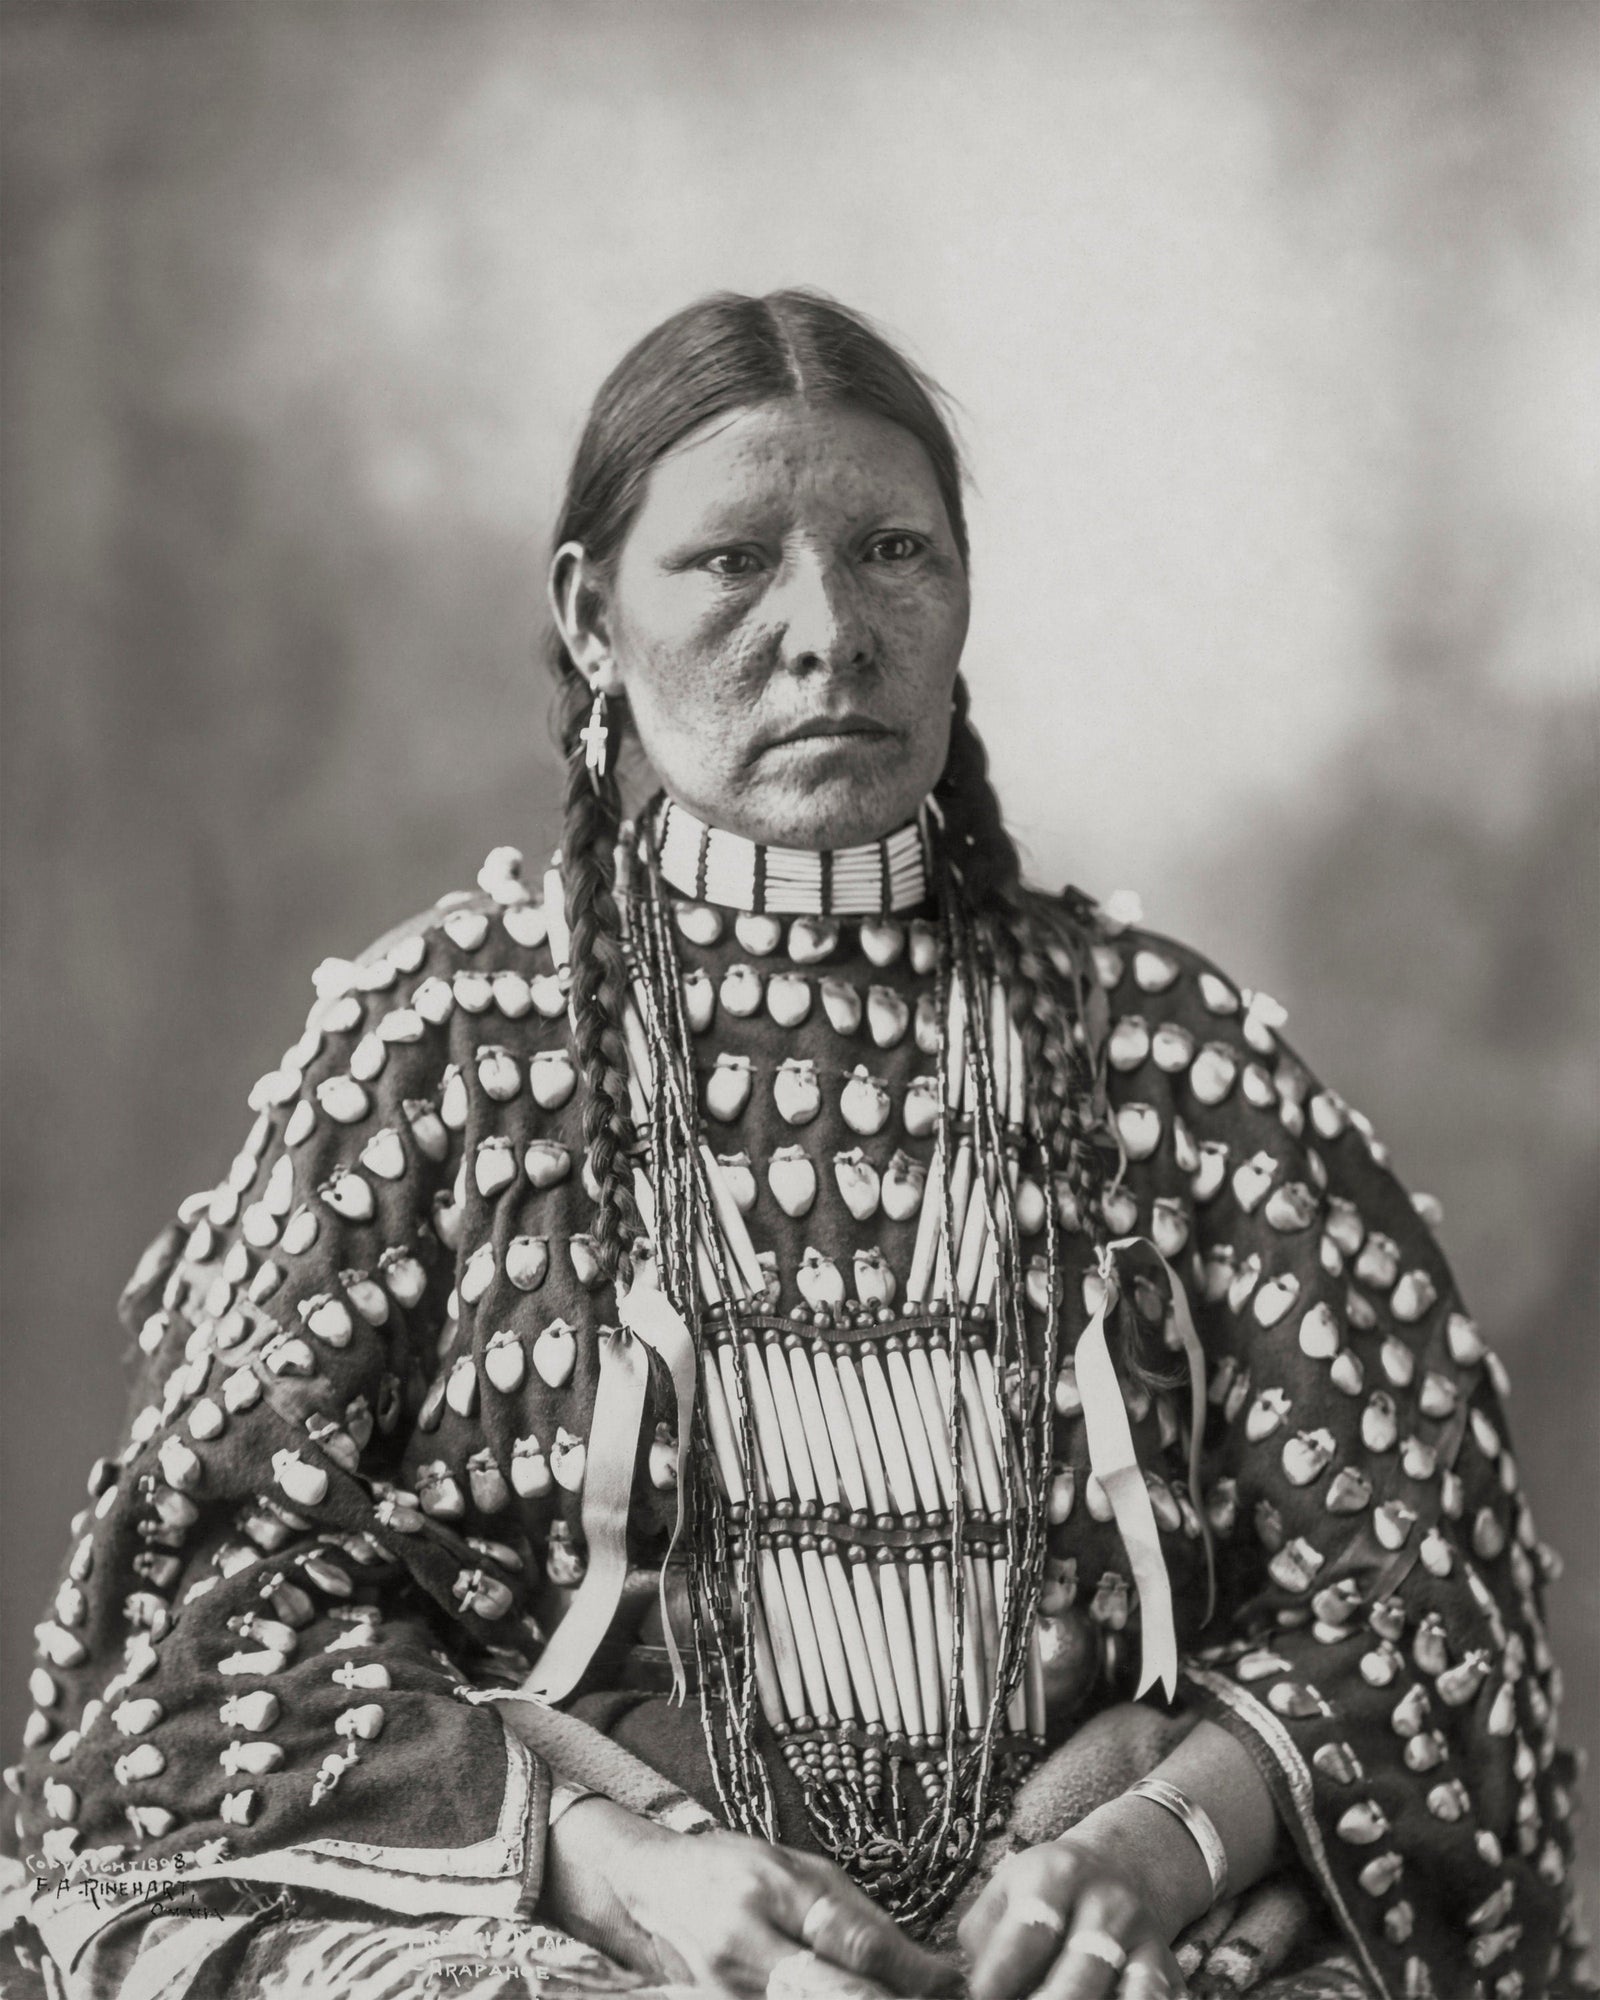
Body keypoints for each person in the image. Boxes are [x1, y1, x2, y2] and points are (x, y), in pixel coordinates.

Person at [2, 290, 1589, 2000]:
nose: (830, 627)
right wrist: (620, 1878)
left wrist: (1160, 1847)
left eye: (894, 551)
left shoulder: (1170, 1061)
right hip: (553, 1933)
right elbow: (190, 1629)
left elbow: (1425, 1613)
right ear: (588, 616)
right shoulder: (436, 1048)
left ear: (965, 598)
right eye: (733, 560)